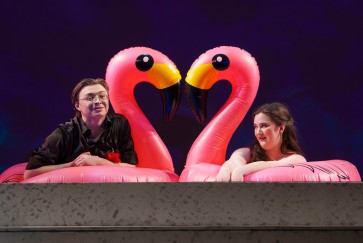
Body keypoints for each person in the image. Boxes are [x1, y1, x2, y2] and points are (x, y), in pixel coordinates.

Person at [24, 78, 138, 179]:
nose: (98, 101)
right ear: (77, 105)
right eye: (90, 98)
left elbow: (131, 166)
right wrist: (71, 165)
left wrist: (98, 162)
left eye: (102, 96)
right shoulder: (64, 134)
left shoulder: (119, 123)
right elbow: (30, 173)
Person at [215, 102, 306, 182]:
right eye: (256, 127)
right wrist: (225, 170)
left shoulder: (296, 159)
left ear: (281, 128)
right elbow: (235, 161)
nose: (258, 132)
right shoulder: (245, 152)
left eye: (264, 126)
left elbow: (277, 165)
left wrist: (243, 170)